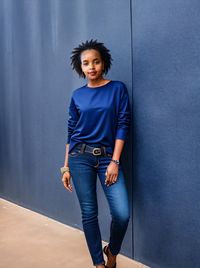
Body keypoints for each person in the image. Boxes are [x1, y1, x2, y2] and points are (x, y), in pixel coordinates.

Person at [61, 40, 131, 268]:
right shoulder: (77, 95)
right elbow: (71, 132)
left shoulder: (117, 88)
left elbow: (123, 124)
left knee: (121, 214)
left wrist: (115, 161)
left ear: (103, 63)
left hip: (107, 159)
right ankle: (99, 264)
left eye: (96, 61)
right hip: (79, 157)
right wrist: (66, 166)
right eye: (86, 63)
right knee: (89, 213)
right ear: (80, 67)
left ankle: (112, 251)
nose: (91, 67)